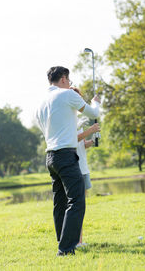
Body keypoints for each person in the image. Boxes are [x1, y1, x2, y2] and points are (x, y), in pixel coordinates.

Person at [36, 66, 100, 256]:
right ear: (63, 79)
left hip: (51, 157)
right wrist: (96, 103)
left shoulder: (41, 103)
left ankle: (62, 242)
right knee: (77, 199)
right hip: (65, 155)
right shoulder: (66, 95)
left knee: (60, 202)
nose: (70, 84)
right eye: (69, 80)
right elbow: (91, 112)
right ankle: (66, 249)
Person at [76, 121, 100, 247]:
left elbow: (81, 144)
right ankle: (75, 241)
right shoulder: (68, 119)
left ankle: (79, 241)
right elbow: (70, 140)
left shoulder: (78, 120)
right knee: (76, 206)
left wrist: (92, 141)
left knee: (81, 206)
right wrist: (90, 130)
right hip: (75, 168)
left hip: (83, 168)